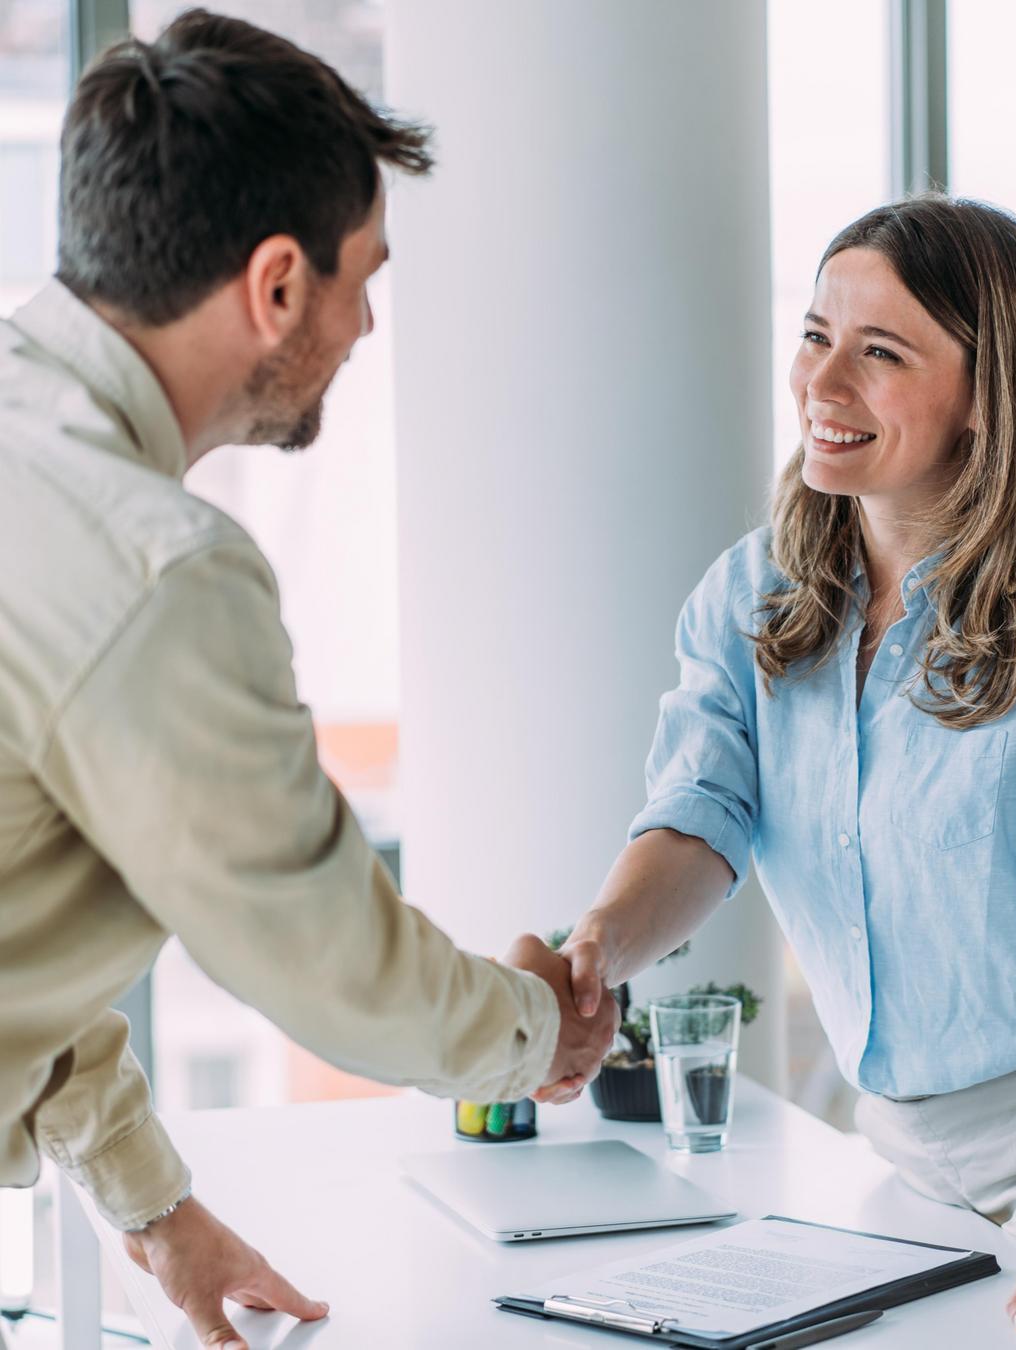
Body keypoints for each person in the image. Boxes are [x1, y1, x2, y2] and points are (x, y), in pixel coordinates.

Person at [0, 11, 617, 1350]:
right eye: (362, 277)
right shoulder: (155, 570)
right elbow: (329, 960)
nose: (368, 322)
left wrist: (162, 1216)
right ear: (277, 284)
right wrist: (540, 1036)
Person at [554, 195, 1016, 1348]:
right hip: (893, 1157)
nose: (821, 386)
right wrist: (593, 957)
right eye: (814, 335)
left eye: (880, 353)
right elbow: (703, 814)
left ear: (991, 397)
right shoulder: (753, 595)